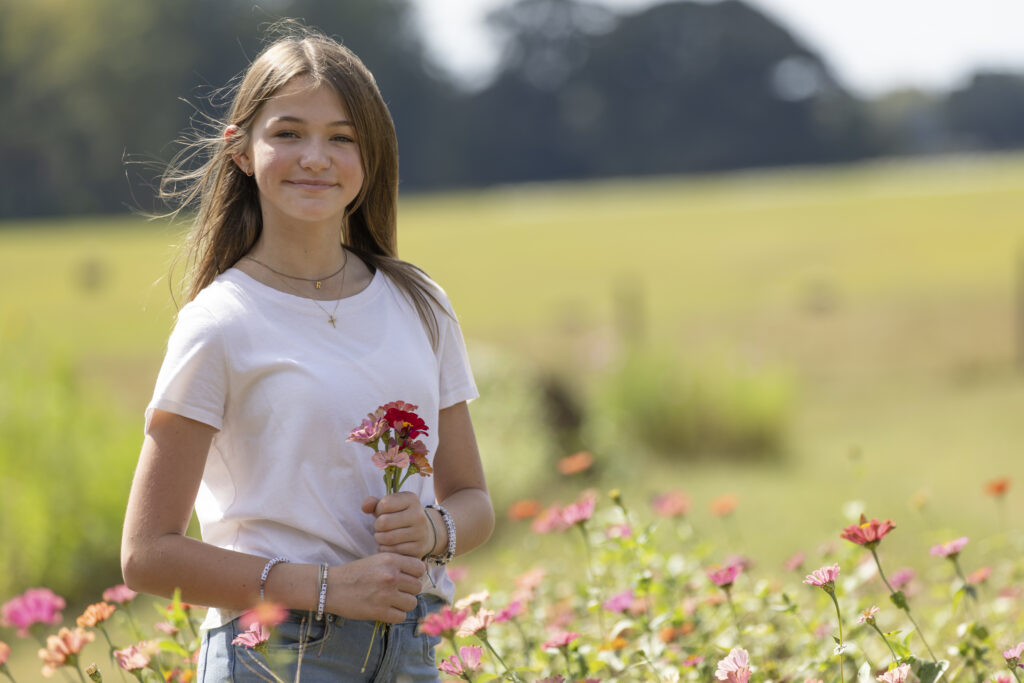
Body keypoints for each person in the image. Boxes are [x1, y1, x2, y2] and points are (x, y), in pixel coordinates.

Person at [120, 22, 494, 682]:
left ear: (370, 156)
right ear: (240, 150)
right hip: (273, 654)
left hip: (411, 651)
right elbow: (147, 552)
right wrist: (327, 587)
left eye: (341, 138)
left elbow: (472, 499)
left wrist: (433, 531)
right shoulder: (220, 322)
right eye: (288, 132)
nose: (315, 157)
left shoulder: (421, 304)